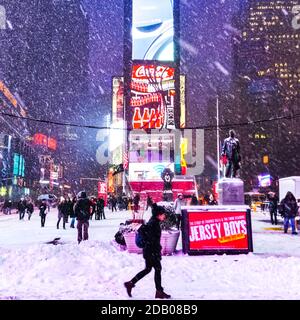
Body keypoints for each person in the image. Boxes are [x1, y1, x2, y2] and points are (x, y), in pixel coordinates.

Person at [124, 204, 171, 299]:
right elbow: (151, 239)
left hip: (150, 251)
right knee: (157, 269)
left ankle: (130, 283)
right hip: (151, 251)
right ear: (158, 215)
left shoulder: (153, 222)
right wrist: (156, 250)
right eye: (163, 214)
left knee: (148, 269)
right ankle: (159, 292)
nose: (164, 216)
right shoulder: (153, 224)